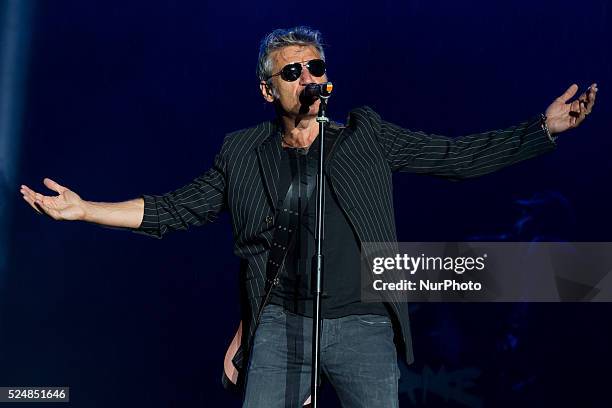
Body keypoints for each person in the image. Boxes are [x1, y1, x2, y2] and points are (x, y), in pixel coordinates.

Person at [20, 26, 597, 407]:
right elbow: (173, 209)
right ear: (268, 90)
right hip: (280, 328)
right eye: (291, 73)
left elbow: (457, 157)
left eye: (314, 67)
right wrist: (84, 210)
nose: (306, 78)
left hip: (363, 326)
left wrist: (541, 129)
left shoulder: (365, 137)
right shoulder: (242, 152)